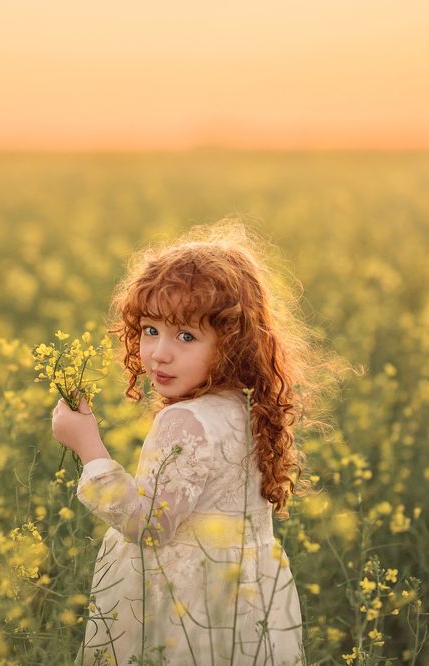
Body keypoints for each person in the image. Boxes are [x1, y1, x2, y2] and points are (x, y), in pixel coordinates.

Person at [52, 223, 337, 666]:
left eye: (186, 336)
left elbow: (148, 526)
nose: (160, 353)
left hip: (183, 611)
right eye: (150, 330)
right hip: (242, 608)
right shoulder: (248, 408)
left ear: (232, 344)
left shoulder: (185, 419)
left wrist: (88, 447)